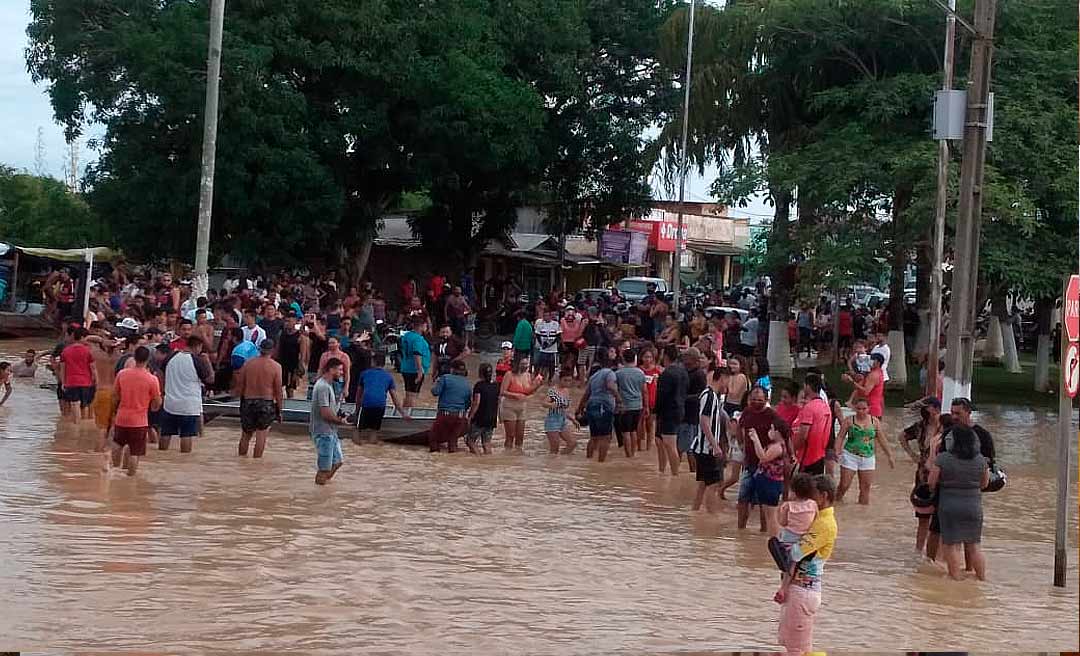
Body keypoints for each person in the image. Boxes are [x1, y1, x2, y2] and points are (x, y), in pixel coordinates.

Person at [774, 475, 838, 656]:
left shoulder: (824, 525)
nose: (808, 499)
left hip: (803, 591)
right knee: (792, 645)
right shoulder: (816, 520)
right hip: (799, 589)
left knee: (796, 649)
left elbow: (795, 553)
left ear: (823, 496)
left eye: (812, 494)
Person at [928, 424, 989, 580]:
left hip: (949, 505)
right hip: (973, 506)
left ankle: (955, 578)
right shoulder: (980, 460)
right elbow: (984, 484)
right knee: (974, 545)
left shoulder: (943, 458)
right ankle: (982, 579)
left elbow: (931, 483)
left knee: (951, 544)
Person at [736, 386, 790, 529]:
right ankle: (740, 530)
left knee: (763, 503)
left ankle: (764, 531)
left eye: (760, 400)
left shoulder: (772, 415)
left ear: (767, 400)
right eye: (753, 399)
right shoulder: (746, 412)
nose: (756, 402)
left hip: (767, 466)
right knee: (743, 498)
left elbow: (786, 432)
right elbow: (739, 427)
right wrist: (741, 445)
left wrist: (790, 454)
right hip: (749, 463)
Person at [109, 346, 162, 476]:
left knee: (117, 444)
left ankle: (115, 471)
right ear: (148, 359)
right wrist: (154, 408)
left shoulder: (122, 374)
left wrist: (115, 411)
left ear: (134, 357)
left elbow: (115, 395)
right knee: (135, 452)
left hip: (122, 417)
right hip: (139, 421)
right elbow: (157, 400)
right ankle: (130, 478)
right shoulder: (152, 379)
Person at [903, 397, 947, 553]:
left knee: (940, 517)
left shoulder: (945, 427)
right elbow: (902, 437)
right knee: (922, 516)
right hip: (922, 476)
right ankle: (918, 550)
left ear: (935, 409)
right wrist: (912, 455)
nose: (924, 410)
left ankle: (937, 552)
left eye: (926, 407)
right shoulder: (920, 426)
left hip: (940, 475)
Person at [159, 336, 214, 454]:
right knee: (186, 434)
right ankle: (184, 460)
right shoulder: (196, 360)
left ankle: (162, 456)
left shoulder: (171, 356)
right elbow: (210, 379)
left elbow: (161, 373)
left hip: (170, 403)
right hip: (188, 406)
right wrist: (208, 362)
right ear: (198, 346)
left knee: (166, 433)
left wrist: (163, 391)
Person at [835, 396, 894, 504]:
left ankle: (863, 513)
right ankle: (836, 502)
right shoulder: (849, 421)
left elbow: (882, 439)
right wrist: (837, 451)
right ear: (854, 409)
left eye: (864, 409)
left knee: (865, 488)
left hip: (868, 457)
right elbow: (840, 437)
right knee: (844, 485)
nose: (861, 411)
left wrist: (889, 455)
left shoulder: (874, 421)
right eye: (858, 409)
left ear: (868, 408)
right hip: (850, 455)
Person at [232, 339, 283, 458]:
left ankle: (241, 461)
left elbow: (240, 385)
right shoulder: (276, 367)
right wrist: (280, 410)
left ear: (259, 349)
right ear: (273, 350)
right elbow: (278, 391)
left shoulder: (248, 363)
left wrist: (242, 402)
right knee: (261, 435)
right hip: (266, 402)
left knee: (246, 435)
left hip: (248, 401)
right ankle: (256, 465)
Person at [689, 368, 730, 512]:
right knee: (713, 484)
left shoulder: (710, 395)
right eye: (727, 379)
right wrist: (715, 445)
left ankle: (695, 512)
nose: (728, 384)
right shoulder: (710, 396)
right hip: (707, 448)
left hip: (703, 447)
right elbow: (704, 421)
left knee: (703, 484)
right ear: (722, 378)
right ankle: (711, 516)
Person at [575, 350, 623, 463]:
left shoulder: (594, 376)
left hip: (591, 406)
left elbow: (586, 394)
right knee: (606, 437)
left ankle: (589, 459)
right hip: (604, 406)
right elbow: (611, 386)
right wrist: (619, 399)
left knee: (594, 437)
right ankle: (601, 463)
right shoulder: (610, 373)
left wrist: (579, 408)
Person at [310, 358, 350, 485]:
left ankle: (323, 488)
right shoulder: (322, 387)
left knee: (338, 462)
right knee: (324, 468)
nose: (342, 373)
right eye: (339, 370)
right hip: (323, 432)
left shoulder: (329, 385)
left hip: (330, 431)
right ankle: (319, 493)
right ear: (331, 369)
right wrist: (341, 421)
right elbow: (325, 413)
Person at [355, 352, 407, 444]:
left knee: (358, 431)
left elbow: (359, 395)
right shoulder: (389, 377)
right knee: (374, 431)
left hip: (366, 404)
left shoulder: (364, 374)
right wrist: (403, 413)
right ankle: (373, 444)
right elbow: (395, 397)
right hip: (380, 406)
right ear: (383, 364)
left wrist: (357, 410)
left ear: (373, 362)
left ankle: (359, 447)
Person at [746, 423, 788, 535]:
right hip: (767, 482)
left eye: (772, 429)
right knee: (769, 515)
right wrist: (755, 440)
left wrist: (756, 439)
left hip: (771, 483)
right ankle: (772, 538)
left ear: (777, 432)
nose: (769, 431)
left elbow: (763, 458)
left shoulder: (778, 447)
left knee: (771, 517)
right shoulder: (776, 445)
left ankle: (775, 540)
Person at [653, 345, 688, 475]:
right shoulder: (683, 371)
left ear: (665, 356)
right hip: (678, 410)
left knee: (669, 444)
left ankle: (675, 474)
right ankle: (662, 470)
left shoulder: (667, 374)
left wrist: (655, 411)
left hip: (668, 412)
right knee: (659, 441)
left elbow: (661, 396)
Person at [772, 473, 818, 567]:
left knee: (788, 563)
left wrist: (778, 512)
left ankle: (787, 576)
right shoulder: (813, 504)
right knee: (802, 565)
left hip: (789, 538)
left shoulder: (787, 506)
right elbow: (816, 520)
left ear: (793, 492)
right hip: (806, 539)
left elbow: (783, 523)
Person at [499, 356, 544, 452]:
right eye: (523, 364)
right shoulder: (509, 375)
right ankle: (507, 455)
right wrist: (515, 395)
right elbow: (502, 392)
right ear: (517, 364)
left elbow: (529, 392)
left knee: (520, 437)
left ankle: (518, 455)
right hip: (509, 407)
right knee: (510, 436)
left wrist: (537, 386)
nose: (526, 366)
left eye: (527, 364)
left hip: (522, 408)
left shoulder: (527, 375)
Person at [792, 374, 831, 476]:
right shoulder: (825, 407)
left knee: (802, 489)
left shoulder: (809, 408)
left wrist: (792, 450)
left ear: (808, 386)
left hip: (807, 457)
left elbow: (803, 435)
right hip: (820, 455)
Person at [429, 360, 472, 453]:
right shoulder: (467, 383)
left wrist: (436, 382)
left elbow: (435, 392)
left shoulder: (445, 378)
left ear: (452, 369)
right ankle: (452, 463)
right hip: (460, 416)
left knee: (434, 438)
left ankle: (435, 464)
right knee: (453, 442)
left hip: (445, 414)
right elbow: (468, 403)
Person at [678, 348, 708, 472]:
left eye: (686, 358)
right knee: (682, 446)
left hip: (691, 415)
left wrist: (683, 397)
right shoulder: (686, 371)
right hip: (685, 414)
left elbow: (701, 395)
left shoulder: (699, 374)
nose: (684, 360)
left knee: (689, 447)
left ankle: (692, 472)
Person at [59, 327, 97, 423]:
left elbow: (63, 369)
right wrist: (96, 380)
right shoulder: (88, 351)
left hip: (71, 382)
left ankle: (76, 425)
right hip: (86, 382)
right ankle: (84, 428)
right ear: (82, 337)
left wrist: (63, 382)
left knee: (75, 404)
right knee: (85, 405)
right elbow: (93, 368)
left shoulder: (65, 351)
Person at [89, 337, 120, 452]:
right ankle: (108, 452)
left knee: (101, 427)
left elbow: (87, 339)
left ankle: (97, 453)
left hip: (102, 391)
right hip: (116, 393)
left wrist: (102, 340)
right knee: (112, 426)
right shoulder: (119, 357)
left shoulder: (97, 355)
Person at [614, 349, 645, 458]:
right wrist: (646, 406)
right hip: (638, 406)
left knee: (625, 432)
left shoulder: (618, 373)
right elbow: (644, 391)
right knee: (633, 431)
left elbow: (614, 390)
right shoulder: (641, 373)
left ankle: (628, 456)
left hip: (625, 407)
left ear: (623, 359)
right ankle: (634, 453)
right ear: (635, 359)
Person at [466, 363, 501, 455]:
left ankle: (478, 459)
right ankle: (488, 461)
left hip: (480, 418)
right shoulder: (496, 385)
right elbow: (498, 401)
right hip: (492, 418)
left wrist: (470, 416)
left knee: (470, 441)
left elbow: (476, 402)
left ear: (480, 373)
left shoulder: (479, 385)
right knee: (486, 443)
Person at [399, 316, 431, 416]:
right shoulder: (418, 339)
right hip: (414, 369)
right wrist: (420, 370)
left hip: (406, 367)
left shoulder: (406, 336)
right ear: (421, 326)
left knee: (408, 393)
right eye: (426, 326)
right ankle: (408, 415)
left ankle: (404, 414)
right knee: (412, 395)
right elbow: (417, 354)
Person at [542, 369, 578, 455]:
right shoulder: (553, 391)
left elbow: (564, 409)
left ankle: (561, 460)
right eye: (565, 380)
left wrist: (572, 419)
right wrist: (552, 405)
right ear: (560, 379)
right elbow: (543, 403)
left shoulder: (566, 391)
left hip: (562, 420)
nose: (567, 383)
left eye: (569, 380)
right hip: (552, 420)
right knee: (554, 449)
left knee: (572, 443)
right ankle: (553, 465)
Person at [638, 347, 661, 453]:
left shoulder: (657, 370)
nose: (648, 359)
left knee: (650, 425)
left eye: (650, 357)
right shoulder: (638, 370)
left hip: (653, 400)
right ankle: (638, 447)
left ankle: (648, 448)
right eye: (646, 357)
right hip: (640, 401)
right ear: (641, 358)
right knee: (639, 425)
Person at [533, 308, 561, 381]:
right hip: (543, 348)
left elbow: (558, 335)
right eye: (544, 316)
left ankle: (550, 378)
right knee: (542, 364)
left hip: (552, 348)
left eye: (547, 316)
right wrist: (542, 344)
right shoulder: (540, 324)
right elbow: (537, 334)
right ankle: (541, 377)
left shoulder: (555, 324)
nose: (546, 317)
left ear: (550, 316)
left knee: (552, 364)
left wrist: (551, 344)